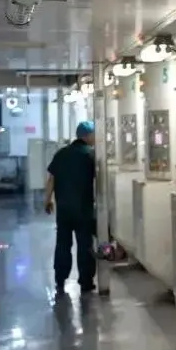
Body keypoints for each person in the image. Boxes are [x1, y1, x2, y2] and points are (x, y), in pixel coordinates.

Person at [44, 121, 97, 294]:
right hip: (83, 208)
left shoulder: (61, 153)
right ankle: (86, 282)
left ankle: (60, 278)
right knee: (85, 245)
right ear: (87, 136)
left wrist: (47, 200)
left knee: (63, 244)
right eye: (94, 134)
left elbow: (51, 179)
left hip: (64, 209)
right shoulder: (90, 155)